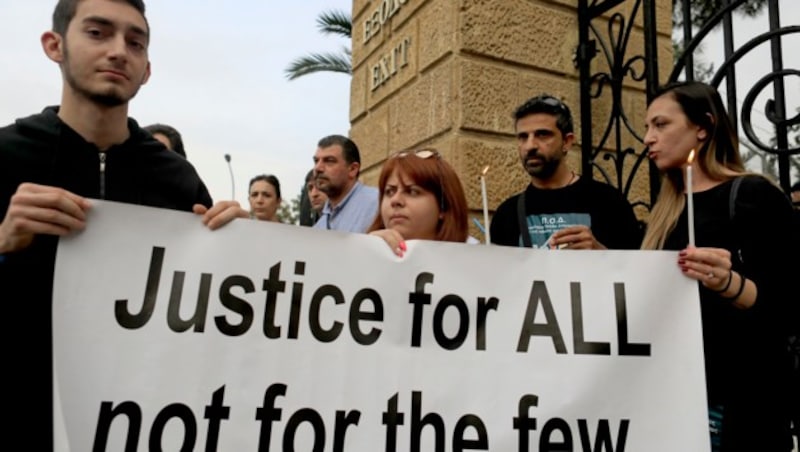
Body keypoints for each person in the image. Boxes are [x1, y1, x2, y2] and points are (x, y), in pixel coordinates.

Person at [0, 1, 247, 449]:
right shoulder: (6, 154)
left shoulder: (178, 179)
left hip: (141, 425)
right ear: (54, 45)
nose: (119, 52)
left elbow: (214, 318)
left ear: (147, 69)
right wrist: (3, 241)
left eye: (135, 42)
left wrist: (248, 249)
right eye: (98, 33)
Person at [641, 80, 795, 451]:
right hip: (673, 398)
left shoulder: (754, 197)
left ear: (703, 127)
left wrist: (730, 284)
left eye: (660, 125)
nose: (648, 137)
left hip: (742, 405)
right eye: (647, 127)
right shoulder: (662, 214)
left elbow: (788, 305)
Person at [489, 94, 642, 249]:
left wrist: (600, 253)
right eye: (523, 137)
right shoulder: (507, 214)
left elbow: (634, 270)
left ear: (567, 142)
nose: (530, 146)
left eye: (542, 134)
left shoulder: (609, 203)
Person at [367, 148, 471, 255]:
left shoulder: (471, 263)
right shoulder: (364, 254)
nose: (395, 200)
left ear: (443, 207)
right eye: (389, 191)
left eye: (412, 192)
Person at [312, 134, 379, 233]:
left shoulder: (378, 204)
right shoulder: (319, 227)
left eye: (329, 161)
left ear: (352, 169)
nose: (318, 168)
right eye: (316, 161)